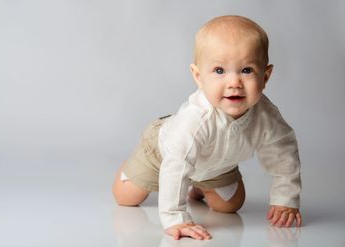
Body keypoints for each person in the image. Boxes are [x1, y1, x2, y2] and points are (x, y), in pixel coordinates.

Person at [112, 15, 302, 240]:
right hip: (164, 156)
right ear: (198, 76)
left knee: (231, 205)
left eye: (247, 70)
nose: (234, 83)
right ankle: (134, 166)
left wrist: (285, 199)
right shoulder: (196, 119)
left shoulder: (267, 116)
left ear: (266, 76)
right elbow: (176, 165)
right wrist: (175, 218)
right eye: (220, 71)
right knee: (125, 197)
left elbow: (284, 155)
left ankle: (200, 187)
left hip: (215, 167)